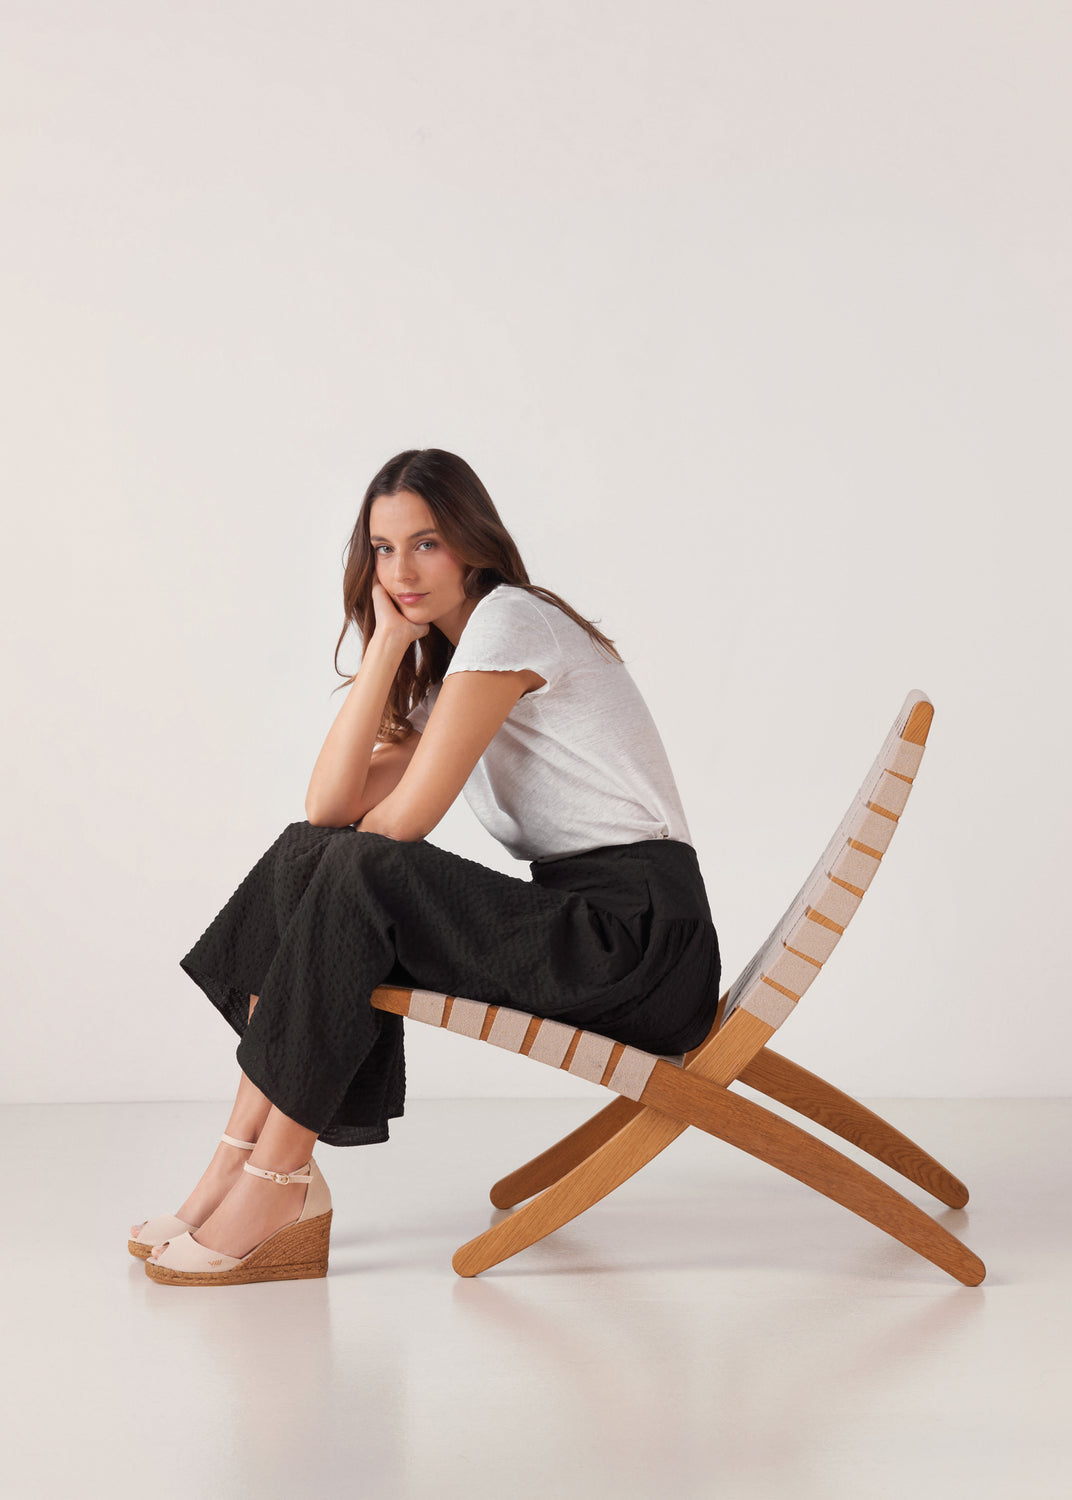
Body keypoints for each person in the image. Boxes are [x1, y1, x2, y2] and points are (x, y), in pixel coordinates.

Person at [133, 448, 721, 1286]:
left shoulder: (510, 622)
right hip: (584, 930)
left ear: (473, 544)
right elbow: (327, 808)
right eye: (383, 549)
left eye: (426, 544)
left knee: (358, 872)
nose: (402, 571)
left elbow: (400, 825)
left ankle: (277, 1178)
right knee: (311, 855)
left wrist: (350, 866)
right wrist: (384, 649)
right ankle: (239, 1164)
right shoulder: (459, 672)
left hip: (639, 946)